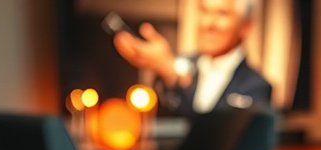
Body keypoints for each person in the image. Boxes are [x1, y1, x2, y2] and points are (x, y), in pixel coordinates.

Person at [113, 0, 272, 116]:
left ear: (246, 26)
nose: (208, 22)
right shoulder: (179, 62)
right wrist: (167, 75)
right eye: (204, 11)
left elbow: (219, 142)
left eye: (222, 14)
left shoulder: (256, 86)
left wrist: (173, 76)